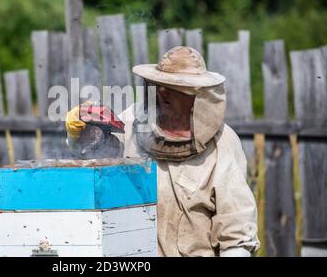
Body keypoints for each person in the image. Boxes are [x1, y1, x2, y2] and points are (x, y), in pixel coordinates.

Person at [66, 46, 260, 257]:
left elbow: (236, 234)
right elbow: (94, 158)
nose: (162, 92)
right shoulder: (132, 121)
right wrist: (79, 133)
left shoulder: (223, 143)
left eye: (174, 87)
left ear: (197, 94)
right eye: (159, 85)